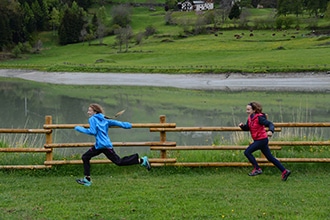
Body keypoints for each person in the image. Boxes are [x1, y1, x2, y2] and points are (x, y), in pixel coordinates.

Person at [74, 103, 151, 186]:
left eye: (89, 111)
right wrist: (128, 125)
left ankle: (142, 160)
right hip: (99, 146)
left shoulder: (92, 119)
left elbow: (93, 131)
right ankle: (87, 179)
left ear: (95, 112)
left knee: (119, 162)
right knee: (85, 157)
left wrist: (79, 128)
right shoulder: (104, 119)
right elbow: (116, 122)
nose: (88, 112)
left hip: (104, 146)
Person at [239, 101, 291, 181]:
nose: (247, 111)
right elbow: (248, 128)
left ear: (254, 110)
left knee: (247, 152)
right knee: (270, 158)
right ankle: (284, 171)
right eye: (246, 109)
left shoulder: (259, 118)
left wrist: (271, 131)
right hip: (259, 140)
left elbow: (270, 124)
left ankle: (257, 169)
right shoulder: (250, 118)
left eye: (249, 110)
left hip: (261, 140)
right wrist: (242, 126)